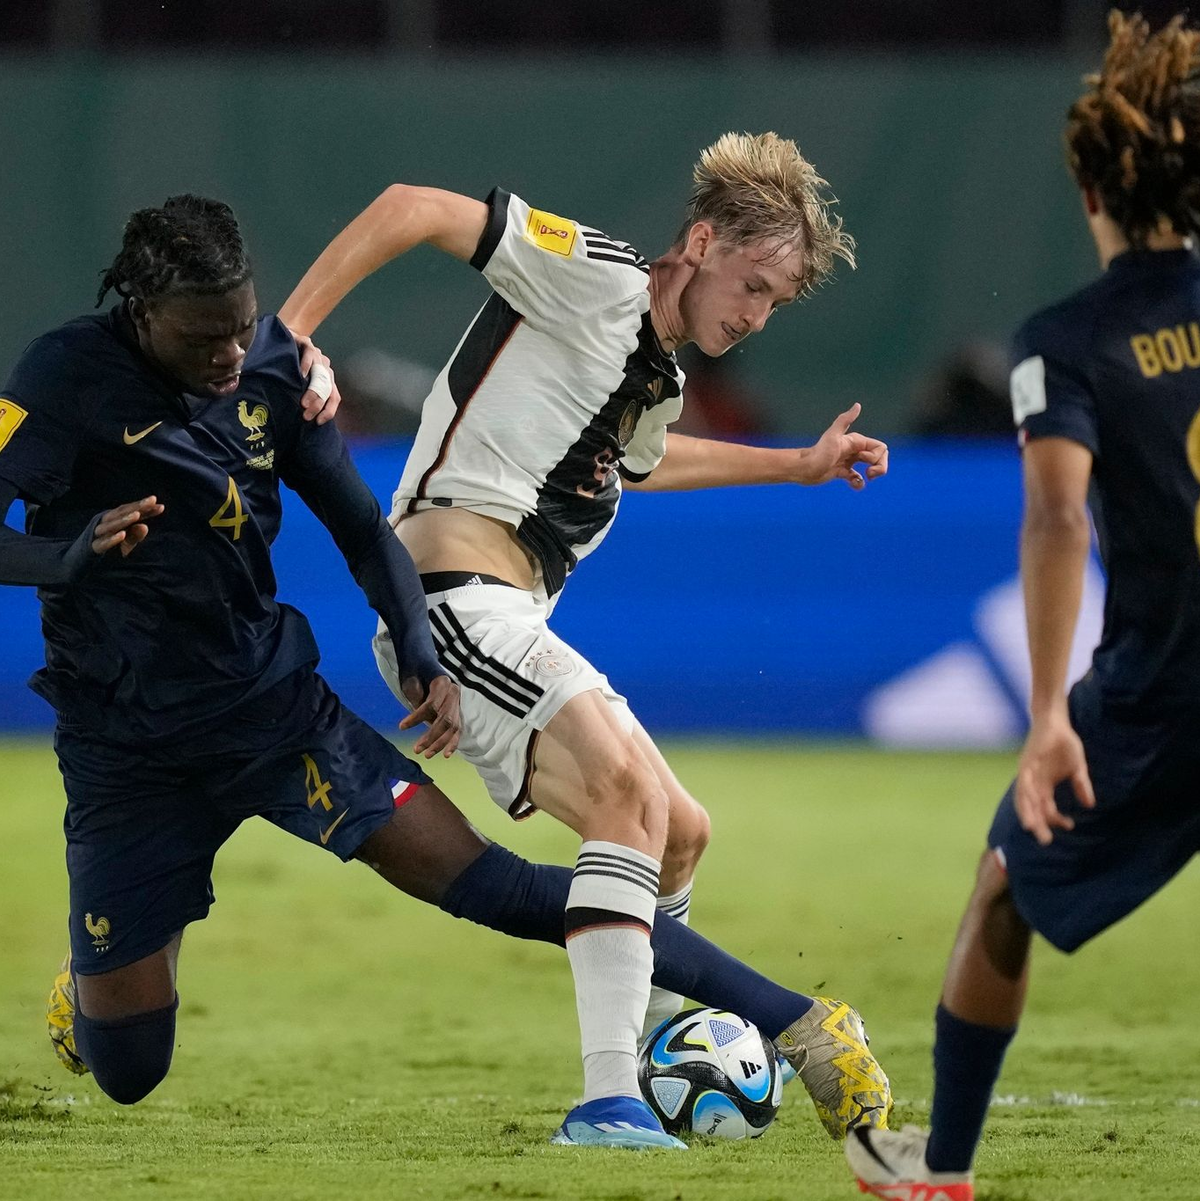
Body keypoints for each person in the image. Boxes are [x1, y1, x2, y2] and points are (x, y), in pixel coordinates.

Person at [0, 194, 888, 1150]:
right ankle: (110, 969)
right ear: (141, 310)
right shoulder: (66, 374)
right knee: (130, 1070)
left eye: (241, 325)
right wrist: (69, 554)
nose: (231, 351)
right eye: (205, 334)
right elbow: (413, 207)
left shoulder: (278, 370)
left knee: (605, 852)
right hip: (128, 738)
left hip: (271, 706)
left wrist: (420, 655)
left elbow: (371, 523)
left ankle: (717, 1043)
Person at [281, 130, 891, 1137]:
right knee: (623, 792)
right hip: (448, 598)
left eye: (775, 303)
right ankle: (609, 1100)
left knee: (681, 830)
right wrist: (295, 333)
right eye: (753, 283)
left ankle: (657, 1058)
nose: (754, 313)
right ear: (700, 240)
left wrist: (796, 465)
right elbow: (410, 204)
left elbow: (643, 465)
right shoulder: (592, 273)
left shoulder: (656, 378)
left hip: (502, 612)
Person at [846, 13, 1200, 1199]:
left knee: (1006, 883)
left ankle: (940, 1169)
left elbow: (1056, 520)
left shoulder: (1068, 342)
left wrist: (1049, 714)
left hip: (1157, 692)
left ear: (1093, 184)